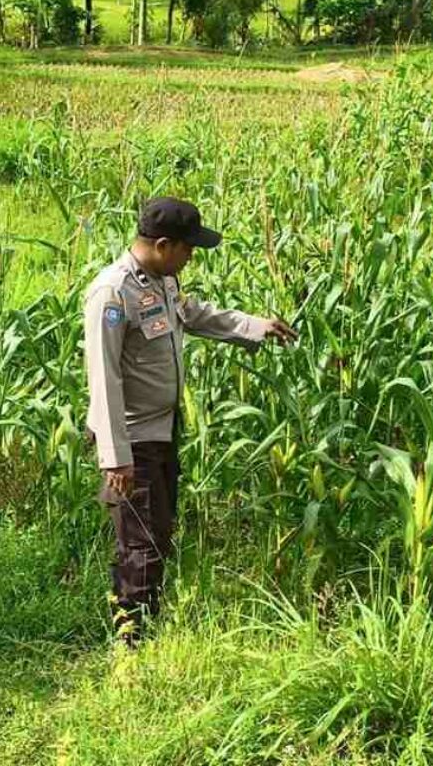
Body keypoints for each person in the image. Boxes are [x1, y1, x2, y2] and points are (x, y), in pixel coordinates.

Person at [83, 196, 297, 645]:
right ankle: (131, 644)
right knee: (141, 541)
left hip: (161, 433)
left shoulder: (163, 281)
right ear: (163, 245)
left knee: (157, 533)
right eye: (188, 249)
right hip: (131, 442)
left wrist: (254, 327)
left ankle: (142, 625)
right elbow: (104, 379)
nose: (191, 257)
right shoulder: (112, 293)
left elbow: (194, 315)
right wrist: (114, 457)